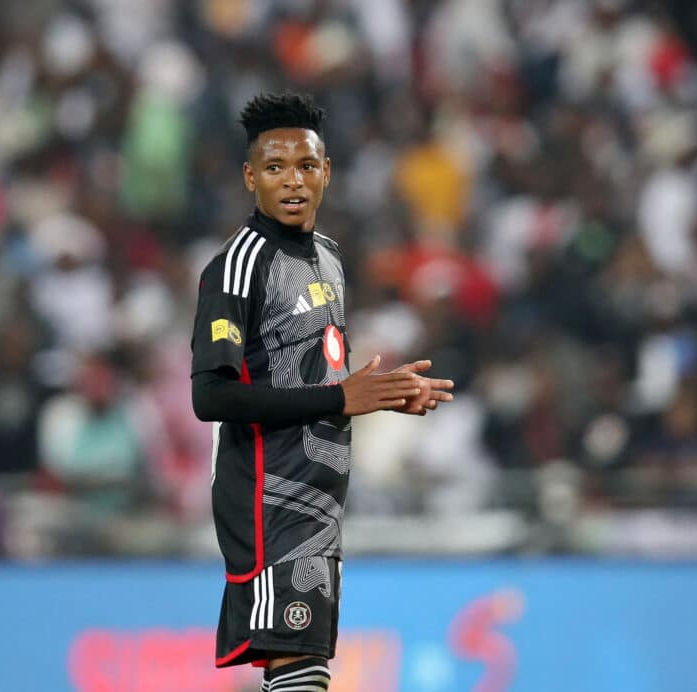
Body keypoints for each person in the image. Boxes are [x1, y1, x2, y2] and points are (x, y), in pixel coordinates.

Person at [190, 92, 454, 691]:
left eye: (306, 166)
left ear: (326, 173)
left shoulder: (330, 258)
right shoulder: (237, 265)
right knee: (301, 672)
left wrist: (382, 393)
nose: (293, 181)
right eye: (276, 167)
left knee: (302, 672)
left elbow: (314, 373)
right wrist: (341, 400)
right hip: (267, 499)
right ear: (249, 176)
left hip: (320, 507)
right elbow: (212, 397)